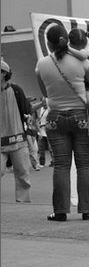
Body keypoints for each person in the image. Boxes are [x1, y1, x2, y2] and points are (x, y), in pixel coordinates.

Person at [36, 24, 89, 221]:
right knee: (84, 165)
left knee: (60, 166)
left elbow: (45, 93)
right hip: (81, 117)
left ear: (48, 44)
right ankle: (88, 210)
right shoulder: (81, 61)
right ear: (66, 40)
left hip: (55, 118)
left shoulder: (42, 64)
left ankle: (59, 211)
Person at [1, 60, 32, 202]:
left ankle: (23, 206)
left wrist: (29, 118)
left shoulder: (16, 90)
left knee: (23, 175)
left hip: (18, 140)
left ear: (4, 74)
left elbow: (26, 110)